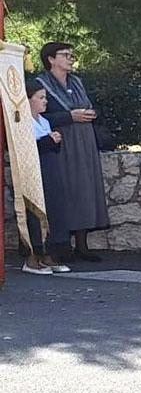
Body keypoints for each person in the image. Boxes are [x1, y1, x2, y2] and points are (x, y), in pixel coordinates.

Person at [37, 42, 109, 261]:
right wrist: (69, 117)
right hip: (62, 143)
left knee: (85, 188)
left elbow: (89, 105)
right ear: (51, 59)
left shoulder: (77, 82)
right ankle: (62, 244)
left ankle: (82, 244)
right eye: (66, 55)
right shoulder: (41, 84)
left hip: (84, 141)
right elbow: (37, 115)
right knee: (66, 188)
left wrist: (90, 113)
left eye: (71, 55)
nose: (71, 58)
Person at [22, 80, 71, 275]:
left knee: (53, 208)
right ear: (28, 100)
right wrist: (48, 141)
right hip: (34, 170)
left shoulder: (44, 121)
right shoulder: (22, 122)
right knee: (35, 212)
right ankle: (32, 257)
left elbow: (50, 146)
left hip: (50, 169)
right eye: (40, 97)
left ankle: (49, 253)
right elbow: (28, 148)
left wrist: (55, 141)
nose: (45, 101)